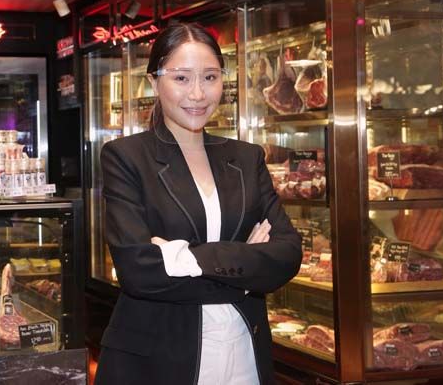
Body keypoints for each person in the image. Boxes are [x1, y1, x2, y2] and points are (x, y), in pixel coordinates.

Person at [95, 22, 302, 385]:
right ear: (154, 82)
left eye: (210, 77)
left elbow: (287, 253)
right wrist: (245, 271)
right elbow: (139, 271)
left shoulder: (246, 157)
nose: (197, 93)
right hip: (159, 359)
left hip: (244, 352)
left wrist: (182, 257)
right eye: (181, 78)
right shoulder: (126, 157)